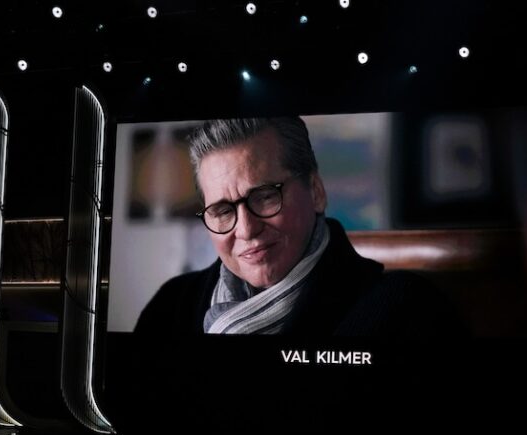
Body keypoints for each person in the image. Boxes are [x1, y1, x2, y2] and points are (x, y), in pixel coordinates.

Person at [134, 116, 458, 337]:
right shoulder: (171, 305)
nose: (246, 230)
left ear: (315, 191)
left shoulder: (405, 309)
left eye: (264, 196)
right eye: (222, 210)